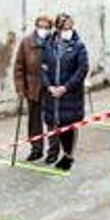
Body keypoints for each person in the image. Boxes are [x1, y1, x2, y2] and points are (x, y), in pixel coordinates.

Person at [40, 13, 89, 170]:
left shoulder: (78, 46)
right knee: (58, 124)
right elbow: (43, 68)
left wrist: (65, 87)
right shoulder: (48, 45)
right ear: (58, 28)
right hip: (53, 95)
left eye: (70, 26)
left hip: (70, 95)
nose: (67, 30)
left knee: (69, 126)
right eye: (64, 27)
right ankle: (62, 154)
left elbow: (82, 69)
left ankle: (69, 156)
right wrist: (49, 87)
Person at [14, 15, 53, 160]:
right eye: (40, 26)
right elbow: (19, 67)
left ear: (50, 28)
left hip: (50, 87)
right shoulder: (26, 42)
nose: (43, 30)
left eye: (47, 27)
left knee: (51, 120)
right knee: (34, 120)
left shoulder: (54, 41)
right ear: (36, 26)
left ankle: (53, 152)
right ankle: (36, 149)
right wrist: (20, 87)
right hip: (33, 87)